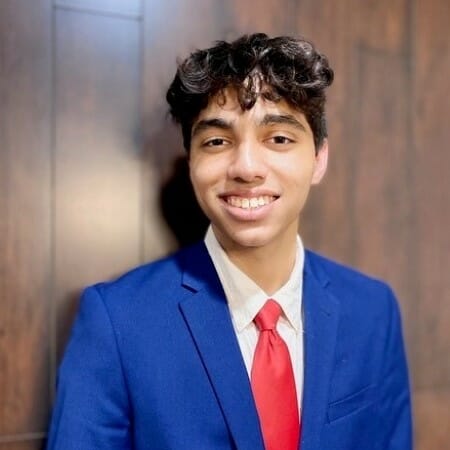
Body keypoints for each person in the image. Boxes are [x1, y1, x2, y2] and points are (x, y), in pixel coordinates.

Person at [46, 33, 412, 450]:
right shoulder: (116, 321)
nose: (247, 167)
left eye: (279, 138)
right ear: (191, 163)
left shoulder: (373, 310)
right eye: (217, 141)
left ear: (319, 158)